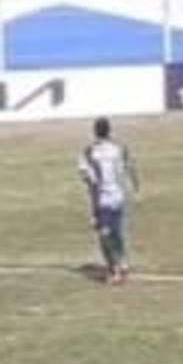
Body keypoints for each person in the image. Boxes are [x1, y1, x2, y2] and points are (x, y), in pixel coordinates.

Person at [79, 117, 141, 286]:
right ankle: (120, 264)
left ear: (95, 132)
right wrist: (136, 189)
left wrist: (93, 209)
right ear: (109, 130)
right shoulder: (120, 148)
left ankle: (115, 269)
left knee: (105, 234)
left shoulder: (89, 152)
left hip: (103, 199)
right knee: (115, 232)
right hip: (119, 197)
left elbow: (89, 181)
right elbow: (132, 167)